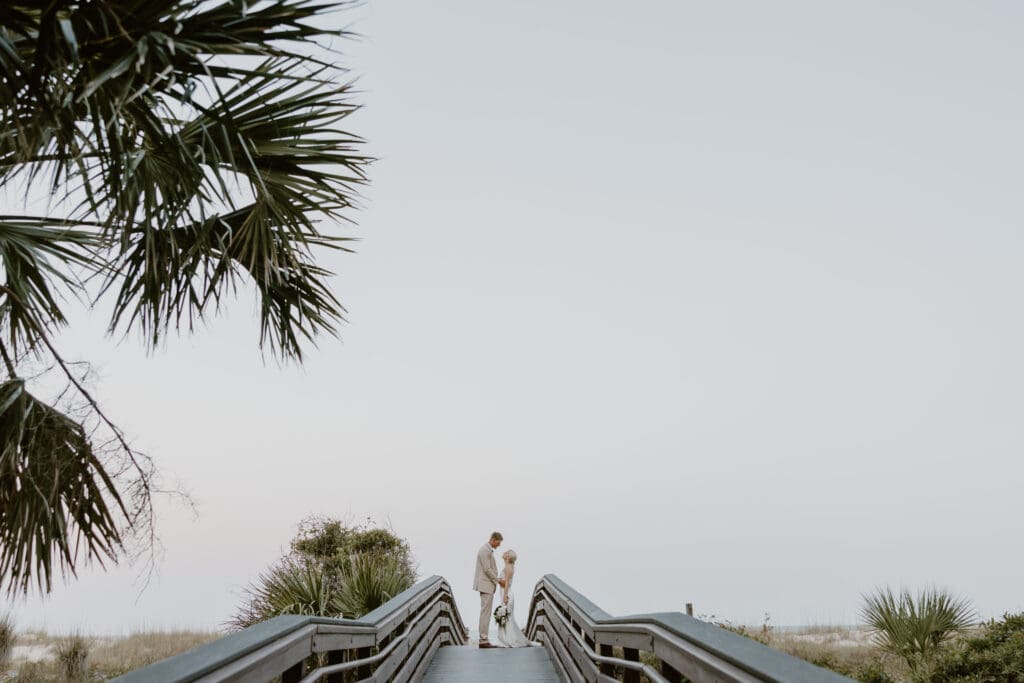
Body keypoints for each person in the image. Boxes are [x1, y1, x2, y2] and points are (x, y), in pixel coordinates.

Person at [495, 549, 538, 647]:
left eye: (506, 553)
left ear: (508, 557)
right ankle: (507, 639)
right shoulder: (508, 566)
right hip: (505, 594)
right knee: (508, 618)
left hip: (506, 594)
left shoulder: (508, 568)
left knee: (507, 618)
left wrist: (495, 579)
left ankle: (509, 640)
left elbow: (506, 584)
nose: (504, 553)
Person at [473, 531, 505, 648]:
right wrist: (498, 580)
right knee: (485, 612)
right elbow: (487, 569)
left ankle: (484, 638)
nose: (499, 545)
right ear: (493, 539)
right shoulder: (485, 550)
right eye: (498, 542)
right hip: (485, 585)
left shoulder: (487, 549)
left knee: (486, 612)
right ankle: (483, 639)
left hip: (487, 586)